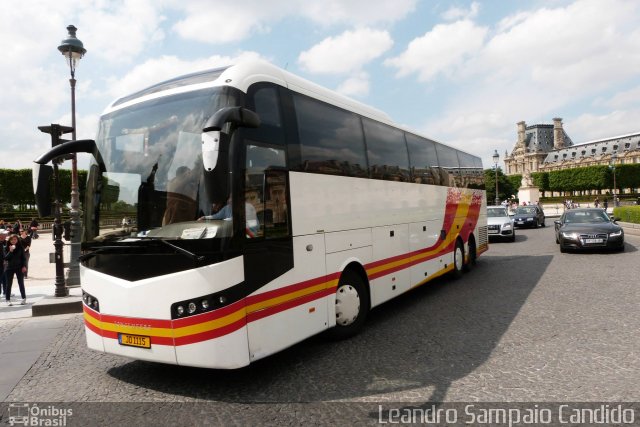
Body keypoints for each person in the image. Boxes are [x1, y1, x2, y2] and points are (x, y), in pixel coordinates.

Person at [4, 234, 27, 305]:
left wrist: (24, 266)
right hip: (9, 268)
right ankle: (8, 299)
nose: (13, 241)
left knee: (21, 283)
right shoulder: (6, 248)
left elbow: (24, 258)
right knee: (9, 284)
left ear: (17, 240)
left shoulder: (20, 247)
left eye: (15, 239)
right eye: (12, 239)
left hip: (19, 267)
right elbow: (6, 258)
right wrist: (10, 251)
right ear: (9, 240)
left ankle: (24, 298)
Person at [0, 230, 7, 296]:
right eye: (4, 234)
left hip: (5, 264)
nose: (6, 235)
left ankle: (6, 291)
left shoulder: (6, 242)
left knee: (5, 278)